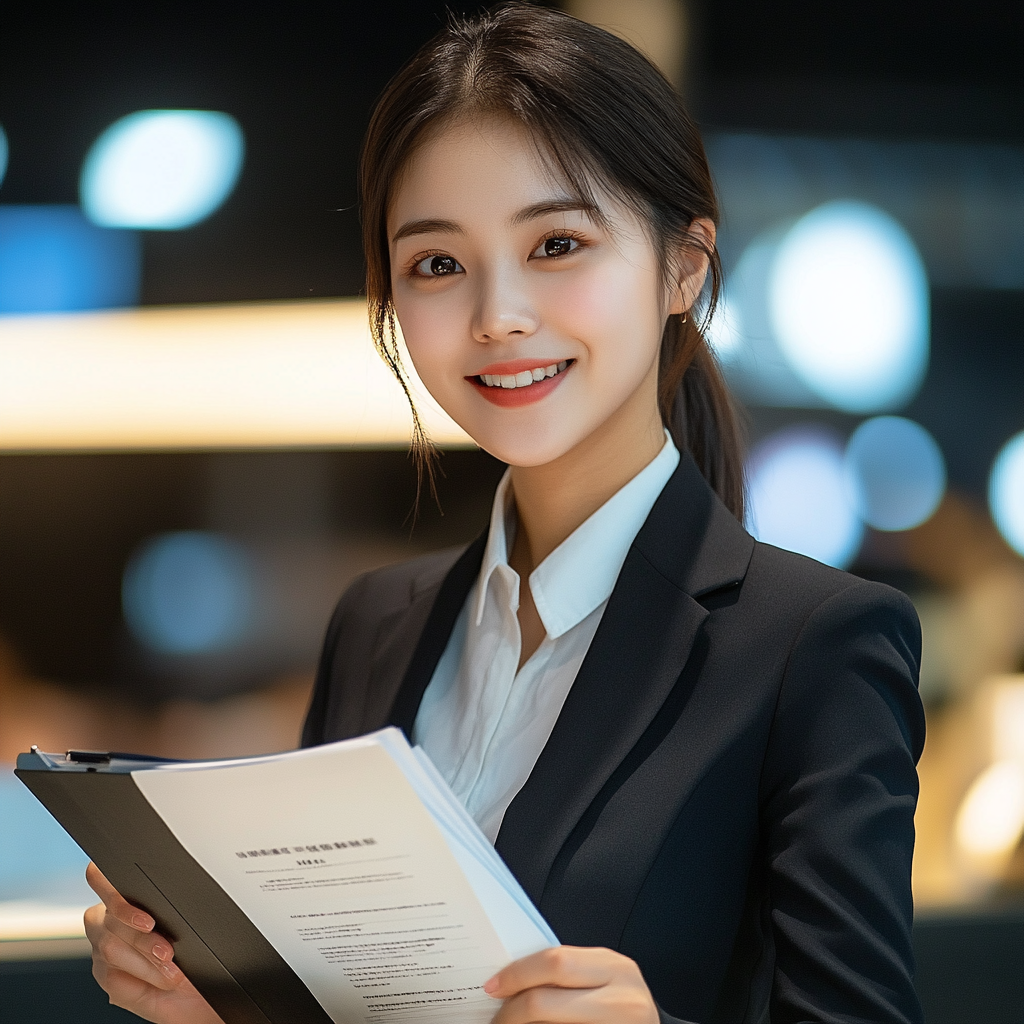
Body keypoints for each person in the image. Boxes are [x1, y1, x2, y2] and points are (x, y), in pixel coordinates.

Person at [83, 5, 926, 1022]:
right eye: (438, 263)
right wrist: (218, 1002)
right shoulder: (376, 626)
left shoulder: (811, 645)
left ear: (683, 267)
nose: (496, 316)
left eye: (557, 242)